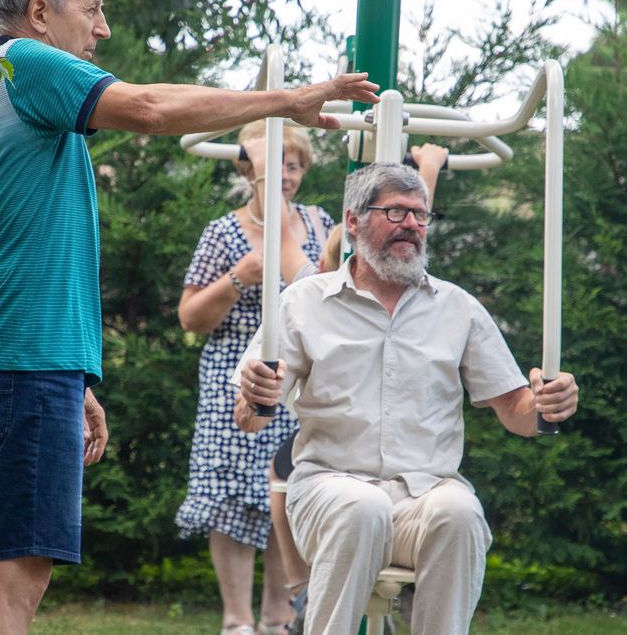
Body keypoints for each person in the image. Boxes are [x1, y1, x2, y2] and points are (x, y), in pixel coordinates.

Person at [0, 0, 380, 632]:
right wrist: (285, 102)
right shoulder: (26, 63)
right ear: (38, 14)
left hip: (1, 355)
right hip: (20, 360)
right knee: (14, 584)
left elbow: (12, 243)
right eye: (91, 8)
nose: (102, 28)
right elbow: (148, 109)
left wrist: (73, 374)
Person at [236, 162, 579, 635]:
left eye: (420, 215)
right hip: (330, 488)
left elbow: (517, 411)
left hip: (425, 494)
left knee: (460, 513)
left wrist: (546, 403)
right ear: (353, 221)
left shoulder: (457, 307)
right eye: (396, 212)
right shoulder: (303, 302)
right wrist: (256, 396)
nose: (413, 225)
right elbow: (250, 418)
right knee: (362, 507)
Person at [178, 138, 448, 635]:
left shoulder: (327, 273)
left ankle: (295, 600)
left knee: (296, 473)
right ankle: (271, 607)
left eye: (295, 166)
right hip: (269, 381)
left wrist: (425, 170)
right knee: (273, 481)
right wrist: (264, 165)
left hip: (325, 388)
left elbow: (405, 224)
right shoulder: (305, 281)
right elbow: (285, 234)